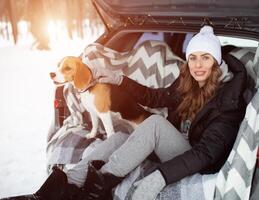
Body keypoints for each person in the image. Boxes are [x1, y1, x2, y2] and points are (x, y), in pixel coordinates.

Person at [1, 26, 248, 200]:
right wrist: (120, 79)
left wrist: (160, 177)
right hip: (181, 145)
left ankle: (98, 186)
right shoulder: (190, 82)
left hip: (199, 160)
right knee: (118, 138)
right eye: (192, 58)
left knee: (153, 124)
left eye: (206, 58)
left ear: (216, 61)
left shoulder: (229, 99)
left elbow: (206, 154)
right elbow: (155, 97)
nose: (197, 65)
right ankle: (60, 186)